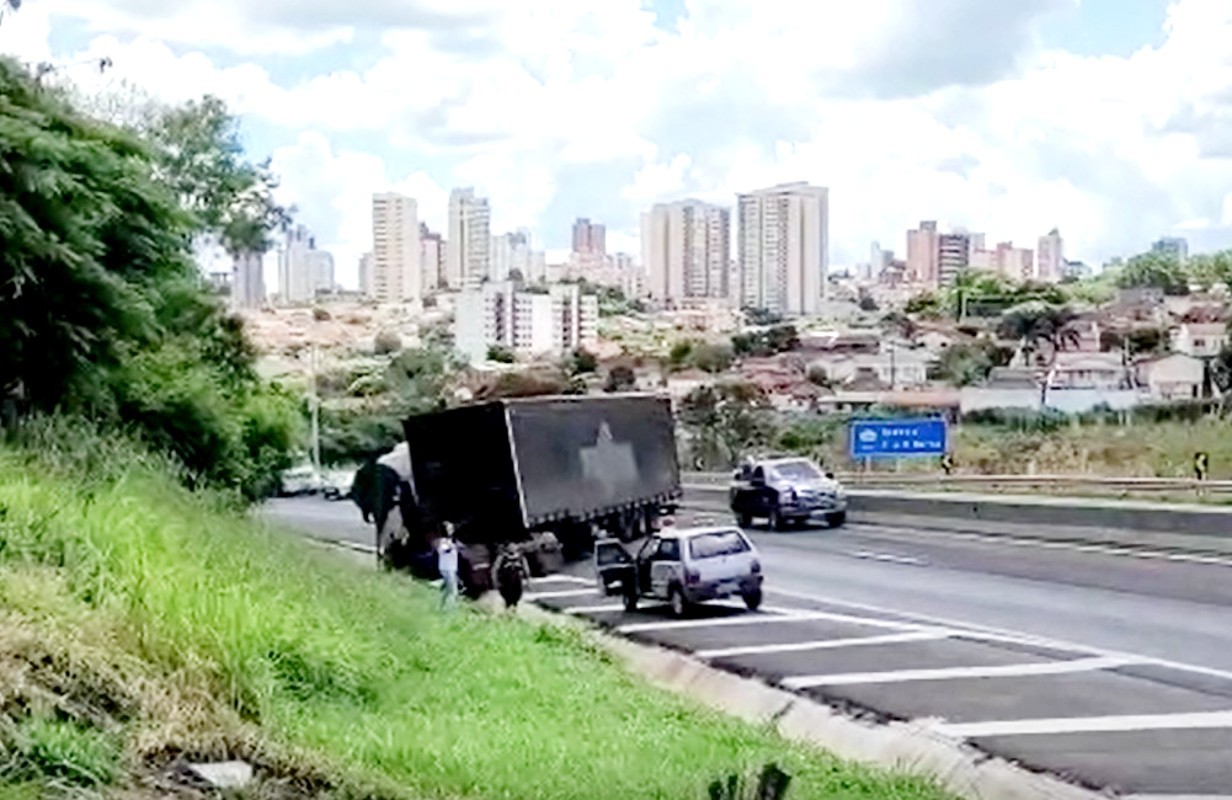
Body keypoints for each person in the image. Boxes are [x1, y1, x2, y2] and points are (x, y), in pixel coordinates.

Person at [492, 543, 531, 611]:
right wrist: (495, 581)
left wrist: (527, 580)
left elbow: (526, 569)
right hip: (505, 581)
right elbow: (495, 569)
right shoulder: (502, 558)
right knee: (507, 598)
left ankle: (514, 610)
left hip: (517, 581)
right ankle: (507, 610)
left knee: (516, 597)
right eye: (510, 546)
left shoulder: (521, 558)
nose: (512, 548)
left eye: (514, 546)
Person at [437, 524, 459, 610]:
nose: (451, 531)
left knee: (448, 590)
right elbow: (443, 550)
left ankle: (442, 606)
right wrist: (451, 547)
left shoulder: (452, 541)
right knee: (453, 590)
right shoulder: (443, 541)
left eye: (452, 529)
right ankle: (450, 608)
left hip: (452, 568)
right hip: (446, 568)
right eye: (449, 529)